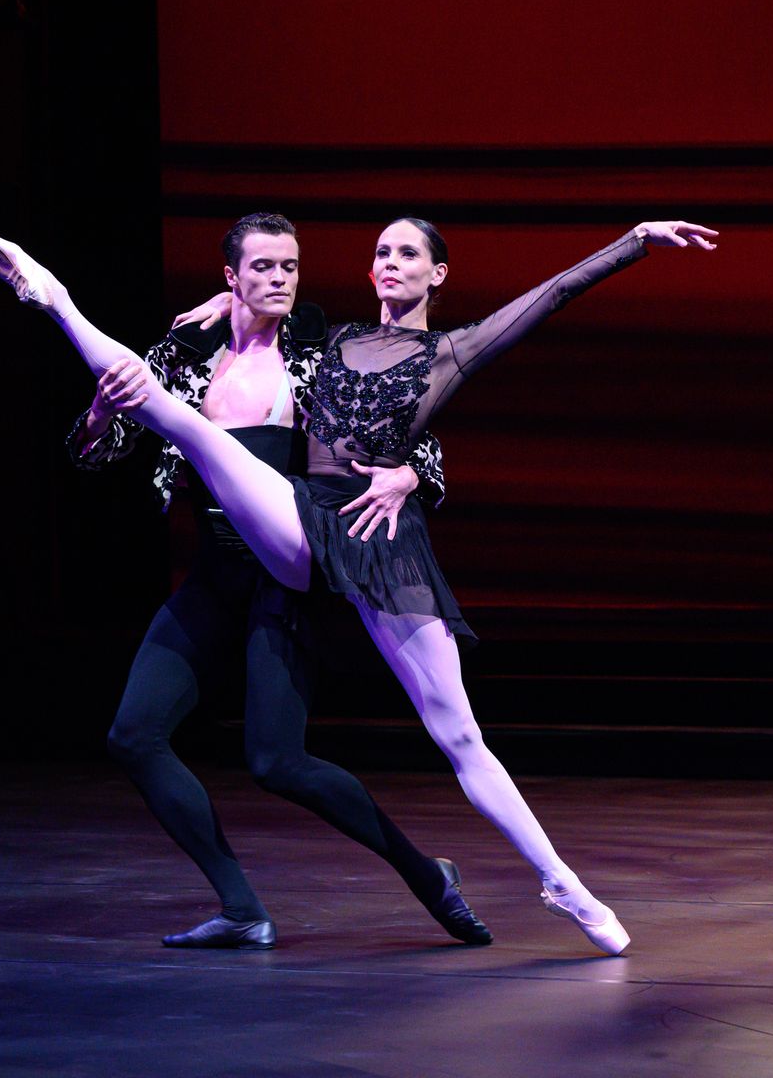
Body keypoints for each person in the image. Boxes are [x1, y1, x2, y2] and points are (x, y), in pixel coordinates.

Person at [0, 216, 718, 954]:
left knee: (456, 733)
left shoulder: (434, 351)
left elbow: (548, 297)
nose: (389, 263)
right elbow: (243, 323)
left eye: (407, 253)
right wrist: (212, 311)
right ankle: (56, 300)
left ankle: (560, 881)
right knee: (190, 431)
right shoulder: (320, 343)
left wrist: (633, 242)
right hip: (298, 524)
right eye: (381, 252)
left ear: (438, 274)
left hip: (377, 545)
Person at [73, 212, 489, 951]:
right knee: (134, 735)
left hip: (284, 583)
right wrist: (104, 411)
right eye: (263, 268)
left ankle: (428, 875)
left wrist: (411, 474)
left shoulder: (320, 356)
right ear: (230, 277)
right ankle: (241, 907)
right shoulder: (180, 359)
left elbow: (404, 422)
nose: (281, 280)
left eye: (291, 267)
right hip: (210, 578)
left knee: (278, 763)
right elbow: (98, 455)